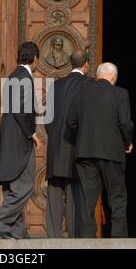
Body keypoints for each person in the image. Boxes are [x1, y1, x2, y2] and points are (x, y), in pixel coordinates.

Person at [66, 62, 133, 238]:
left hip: (85, 153)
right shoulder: (120, 93)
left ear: (98, 75)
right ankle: (118, 237)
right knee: (117, 196)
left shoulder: (81, 93)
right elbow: (125, 123)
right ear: (113, 77)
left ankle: (87, 238)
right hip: (112, 152)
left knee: (88, 198)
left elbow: (71, 122)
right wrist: (127, 142)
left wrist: (84, 138)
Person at [0, 41, 43, 239]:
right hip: (20, 141)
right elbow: (23, 109)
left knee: (13, 187)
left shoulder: (13, 76)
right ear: (35, 59)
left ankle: (17, 232)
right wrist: (32, 133)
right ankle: (0, 221)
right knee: (25, 187)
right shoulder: (24, 78)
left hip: (10, 141)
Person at [44, 50, 92, 238]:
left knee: (54, 198)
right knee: (74, 197)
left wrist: (55, 137)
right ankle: (73, 240)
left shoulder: (56, 85)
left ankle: (53, 240)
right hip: (76, 150)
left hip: (56, 149)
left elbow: (47, 119)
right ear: (86, 64)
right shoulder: (88, 84)